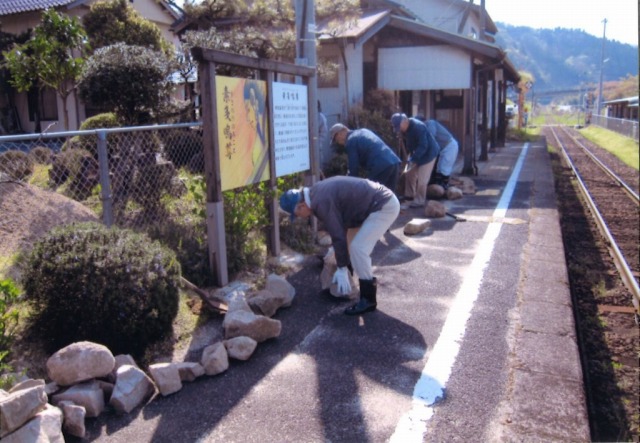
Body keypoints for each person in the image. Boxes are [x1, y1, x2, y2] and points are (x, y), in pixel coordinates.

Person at [279, 176, 400, 315]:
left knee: (358, 248)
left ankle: (368, 300)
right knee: (347, 246)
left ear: (301, 206)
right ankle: (349, 278)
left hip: (383, 207)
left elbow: (337, 235)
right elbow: (340, 226)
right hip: (371, 206)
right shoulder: (315, 193)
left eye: (297, 214)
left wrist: (341, 268)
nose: (300, 217)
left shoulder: (320, 202)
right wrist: (343, 262)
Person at [329, 123, 401, 194]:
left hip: (381, 166)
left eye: (336, 138)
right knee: (390, 196)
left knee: (371, 193)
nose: (338, 142)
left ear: (342, 131)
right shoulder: (364, 131)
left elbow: (354, 168)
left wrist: (349, 185)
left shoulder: (351, 141)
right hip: (393, 162)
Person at [390, 113, 440, 208]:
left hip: (429, 154)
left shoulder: (418, 127)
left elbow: (423, 145)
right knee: (409, 173)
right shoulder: (405, 129)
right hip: (416, 152)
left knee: (422, 179)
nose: (399, 129)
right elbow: (410, 144)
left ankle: (420, 201)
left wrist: (414, 158)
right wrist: (411, 157)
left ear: (404, 122)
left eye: (398, 126)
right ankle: (409, 196)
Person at [424, 119, 459, 190]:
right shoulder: (425, 128)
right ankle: (438, 187)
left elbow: (431, 137)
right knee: (439, 169)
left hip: (449, 146)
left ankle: (443, 186)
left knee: (444, 169)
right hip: (441, 149)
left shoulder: (430, 123)